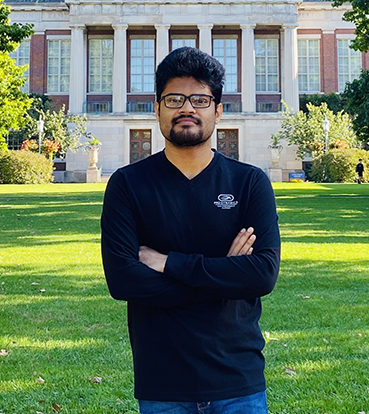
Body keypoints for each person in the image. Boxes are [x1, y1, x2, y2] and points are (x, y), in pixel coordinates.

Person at [101, 47, 281, 414]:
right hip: (163, 382)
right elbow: (123, 281)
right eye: (174, 99)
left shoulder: (249, 183)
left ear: (217, 110)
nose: (187, 108)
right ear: (157, 109)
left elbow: (262, 275)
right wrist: (224, 274)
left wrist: (168, 263)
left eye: (199, 99)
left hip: (238, 380)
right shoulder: (127, 185)